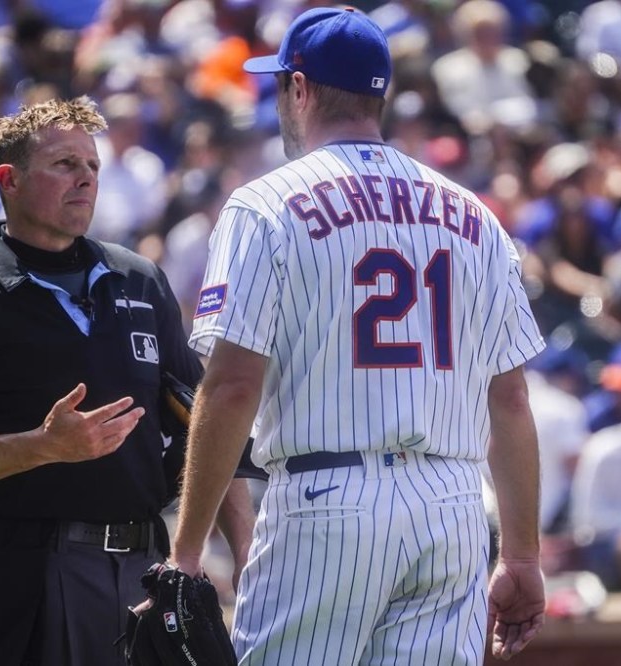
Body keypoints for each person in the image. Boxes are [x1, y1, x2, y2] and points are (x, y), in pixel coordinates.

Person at [169, 8, 546, 664]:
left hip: (326, 501)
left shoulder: (264, 205)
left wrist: (186, 551)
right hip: (451, 505)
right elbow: (509, 400)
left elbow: (231, 386)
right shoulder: (473, 213)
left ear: (301, 89)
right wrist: (521, 554)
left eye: (282, 84)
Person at [0, 96, 254, 666]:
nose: (86, 179)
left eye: (92, 167)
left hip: (143, 575)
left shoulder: (140, 279)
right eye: (64, 164)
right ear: (8, 180)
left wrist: (246, 560)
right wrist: (43, 448)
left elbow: (207, 425)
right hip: (21, 576)